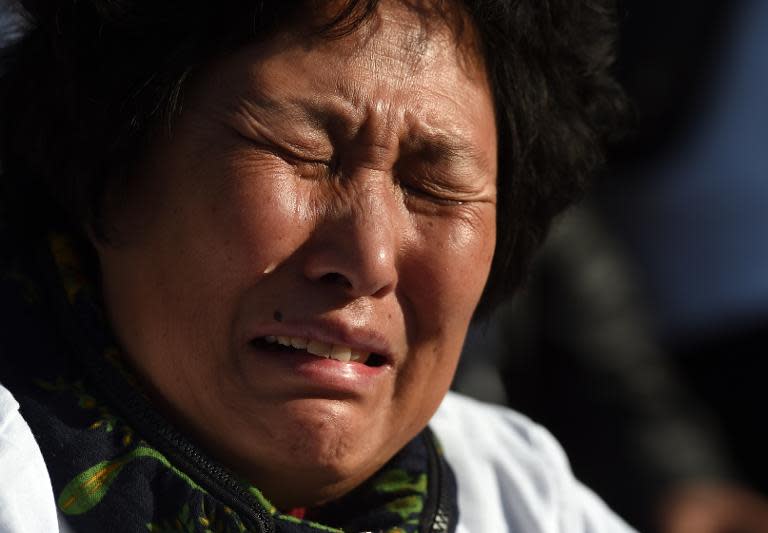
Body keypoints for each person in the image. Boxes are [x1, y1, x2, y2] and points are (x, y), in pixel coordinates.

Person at [0, 1, 631, 531]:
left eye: (437, 188)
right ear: (114, 169)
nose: (370, 259)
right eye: (302, 151)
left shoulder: (524, 498)